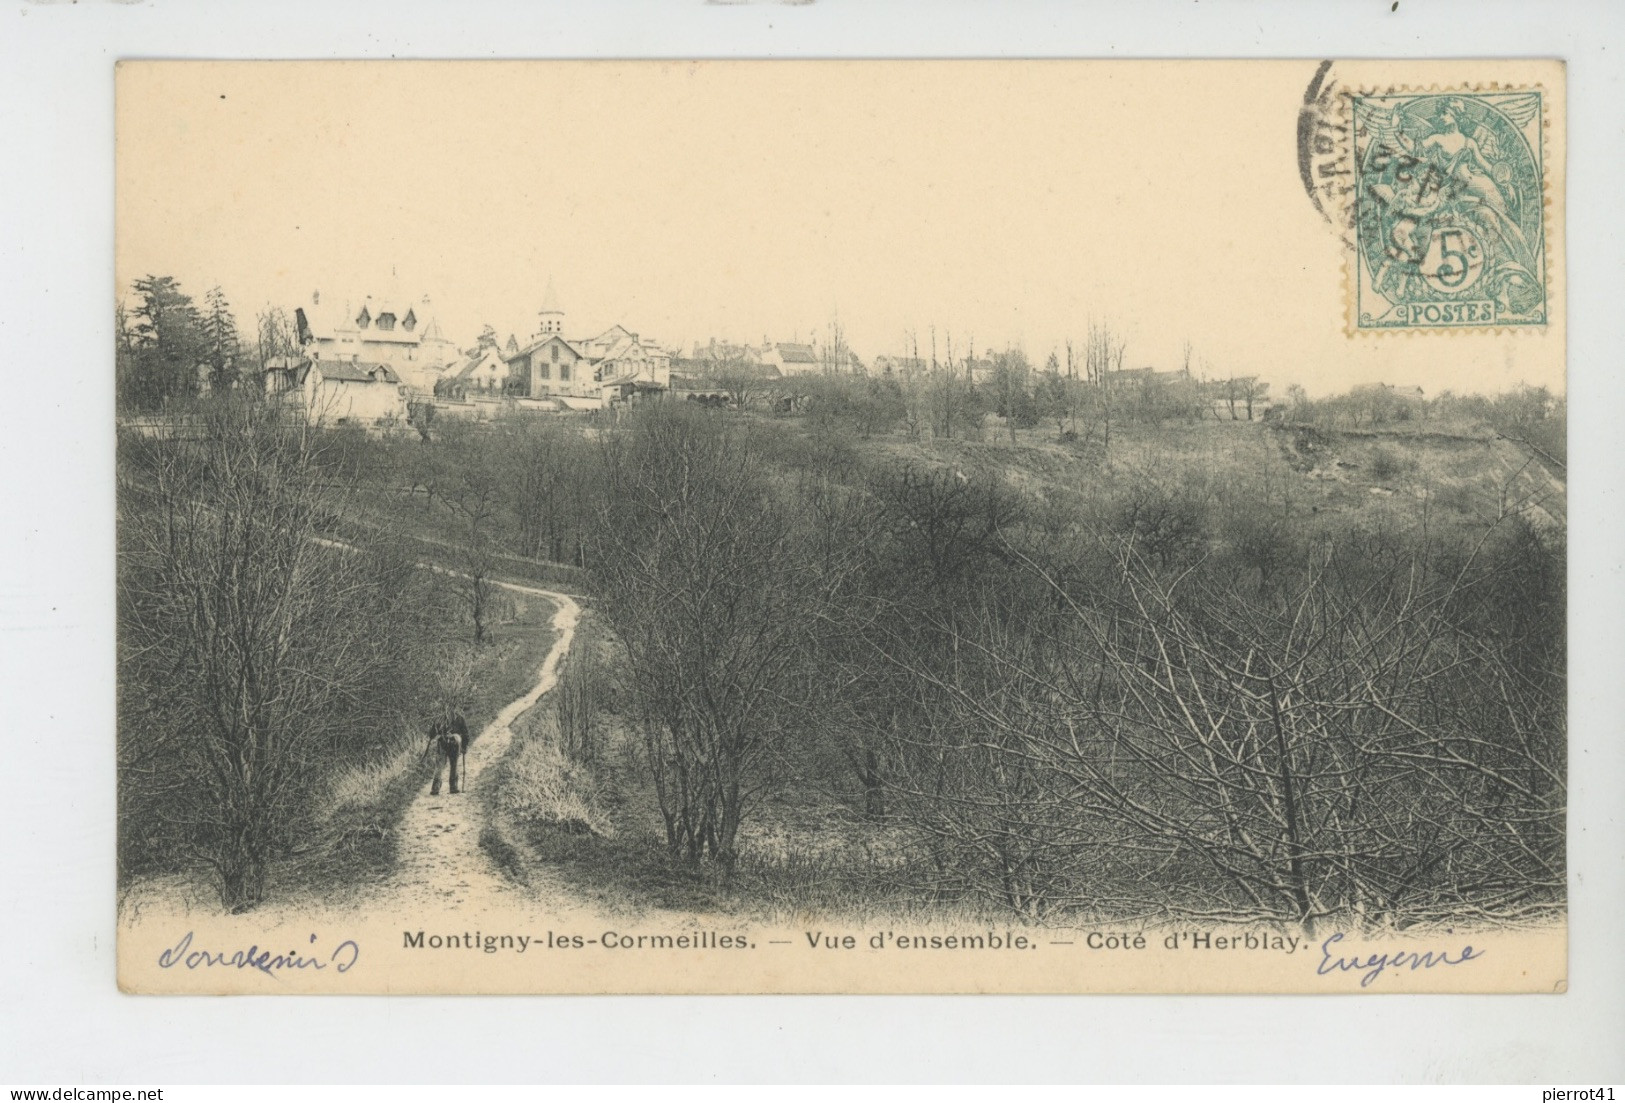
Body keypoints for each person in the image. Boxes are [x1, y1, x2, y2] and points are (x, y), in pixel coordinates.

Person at [426, 707, 470, 796]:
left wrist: (437, 736)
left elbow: (431, 734)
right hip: (454, 745)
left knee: (440, 766)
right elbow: (465, 734)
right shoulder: (459, 718)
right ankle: (453, 787)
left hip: (443, 744)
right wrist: (464, 746)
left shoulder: (440, 719)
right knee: (453, 765)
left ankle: (436, 788)